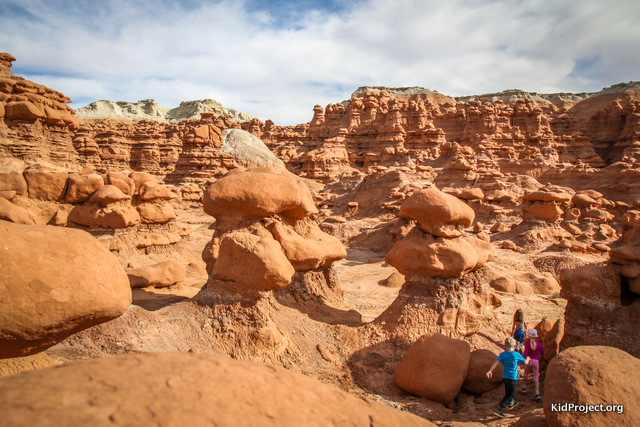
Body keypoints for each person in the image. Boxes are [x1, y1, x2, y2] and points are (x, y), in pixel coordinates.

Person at [487, 337, 529, 419]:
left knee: (509, 392)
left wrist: (490, 371)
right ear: (514, 346)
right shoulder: (516, 355)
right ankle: (499, 409)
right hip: (512, 378)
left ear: (505, 346)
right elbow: (525, 362)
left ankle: (511, 402)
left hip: (505, 377)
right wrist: (528, 358)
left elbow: (496, 362)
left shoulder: (502, 354)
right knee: (509, 395)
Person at [522, 328, 544, 400]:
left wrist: (522, 362)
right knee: (536, 377)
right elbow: (542, 352)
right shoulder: (539, 344)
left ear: (529, 336)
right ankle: (537, 393)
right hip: (536, 361)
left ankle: (524, 387)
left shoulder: (527, 344)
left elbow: (525, 353)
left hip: (529, 361)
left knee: (526, 373)